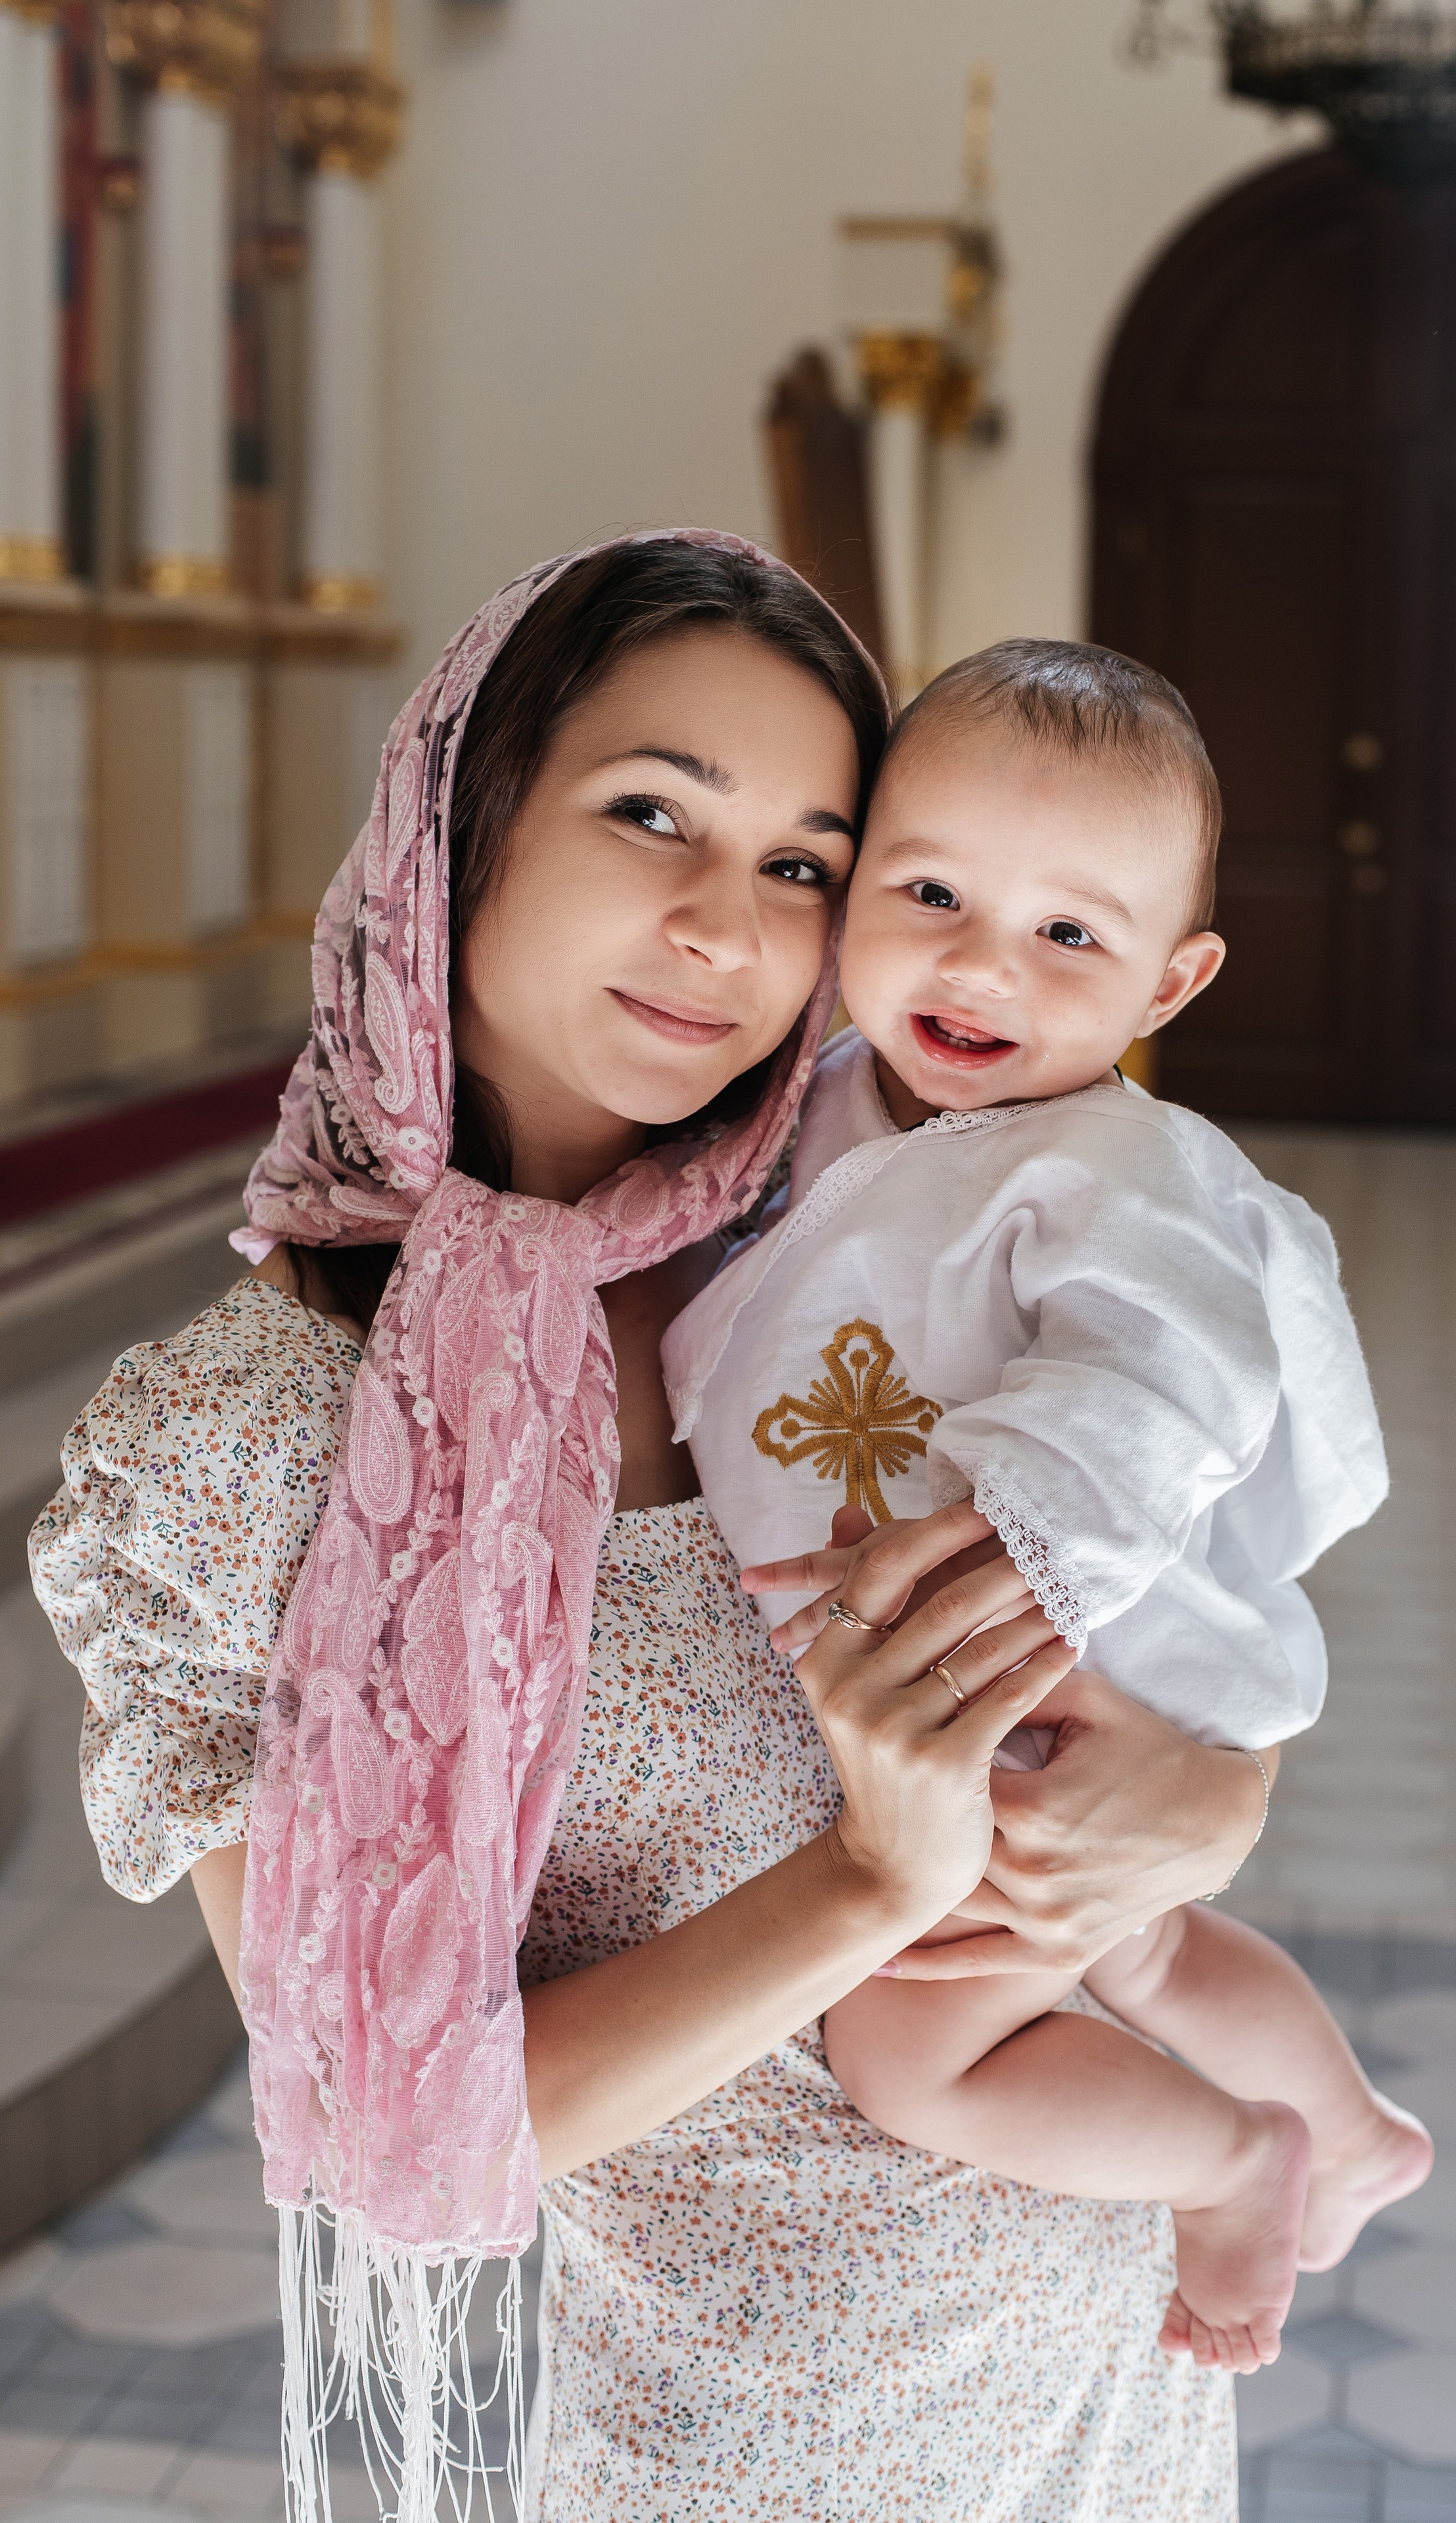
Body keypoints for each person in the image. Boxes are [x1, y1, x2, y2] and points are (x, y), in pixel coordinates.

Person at [30, 539, 1267, 2522]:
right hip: (752, 2452)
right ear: (463, 829)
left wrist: (1207, 1795)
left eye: (803, 864)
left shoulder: (840, 1261)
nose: (722, 925)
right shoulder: (246, 1443)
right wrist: (872, 1883)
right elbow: (391, 2121)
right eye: (651, 814)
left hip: (1118, 2381)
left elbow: (1141, 1602)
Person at [664, 638, 1434, 2379]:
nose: (980, 963)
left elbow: (1163, 1382)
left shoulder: (1121, 1174)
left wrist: (1016, 1555)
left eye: (1070, 934)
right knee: (1140, 1946)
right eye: (932, 892)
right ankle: (1354, 2131)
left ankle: (1238, 2160)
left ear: (1175, 978)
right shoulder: (824, 1106)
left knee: (915, 2055)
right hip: (983, 1673)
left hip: (1059, 1662)